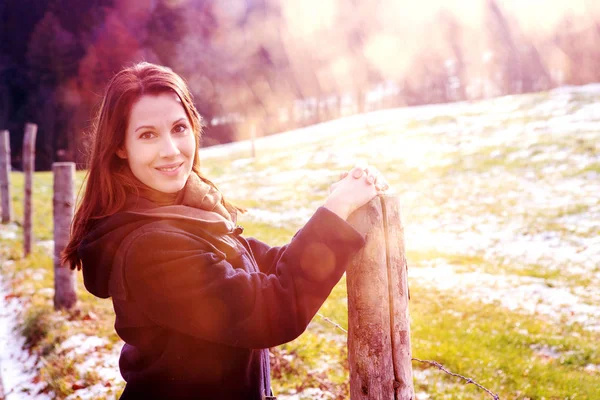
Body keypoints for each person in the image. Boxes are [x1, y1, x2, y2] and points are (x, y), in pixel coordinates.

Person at [63, 62, 389, 400]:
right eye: (148, 135)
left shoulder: (190, 214)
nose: (171, 150)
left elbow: (264, 262)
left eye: (179, 128)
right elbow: (273, 311)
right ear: (120, 147)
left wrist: (339, 209)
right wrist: (334, 212)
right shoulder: (149, 247)